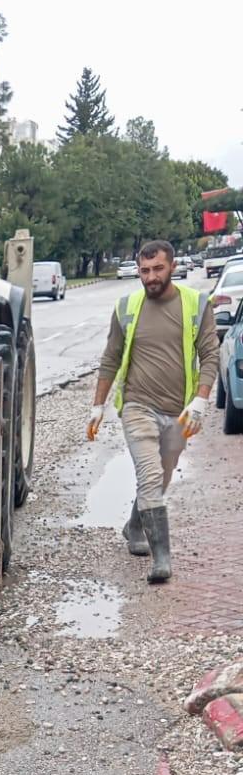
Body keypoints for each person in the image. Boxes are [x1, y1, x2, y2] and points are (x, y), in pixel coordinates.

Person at [86, 240, 219, 583]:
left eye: (158, 269)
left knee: (161, 476)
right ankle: (162, 560)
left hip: (180, 411)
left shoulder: (195, 304)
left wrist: (201, 400)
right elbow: (110, 358)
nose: (150, 277)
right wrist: (98, 406)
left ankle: (134, 525)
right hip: (137, 406)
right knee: (149, 475)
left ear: (172, 266)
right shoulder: (127, 307)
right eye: (144, 271)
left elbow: (210, 355)